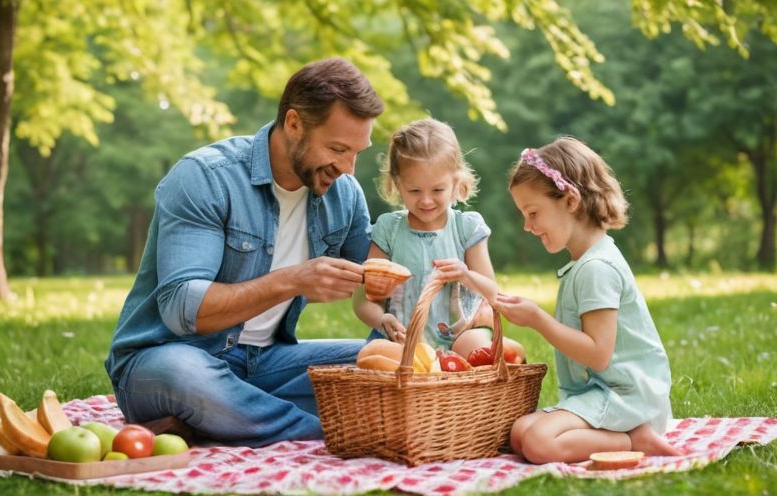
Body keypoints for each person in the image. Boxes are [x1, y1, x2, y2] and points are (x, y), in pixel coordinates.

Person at [104, 58, 385, 447]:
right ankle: (324, 434)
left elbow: (379, 278)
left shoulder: (344, 193)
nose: (349, 168)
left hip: (268, 362)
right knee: (185, 377)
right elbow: (183, 309)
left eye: (358, 152)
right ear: (293, 124)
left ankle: (223, 419)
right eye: (337, 148)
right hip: (169, 356)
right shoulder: (205, 178)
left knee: (381, 363)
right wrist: (294, 280)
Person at [494, 137, 681, 463]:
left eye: (533, 212)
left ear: (570, 200)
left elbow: (598, 354)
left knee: (538, 442)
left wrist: (538, 319)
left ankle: (633, 439)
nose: (527, 226)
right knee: (521, 432)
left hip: (627, 398)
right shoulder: (584, 263)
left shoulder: (596, 268)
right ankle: (623, 435)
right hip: (599, 393)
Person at [352, 118, 498, 352]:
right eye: (414, 190)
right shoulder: (389, 229)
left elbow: (492, 293)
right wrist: (382, 320)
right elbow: (363, 299)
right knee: (375, 353)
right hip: (402, 341)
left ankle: (469, 382)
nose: (426, 200)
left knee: (477, 346)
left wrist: (466, 275)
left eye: (438, 190)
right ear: (397, 185)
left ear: (456, 182)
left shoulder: (466, 228)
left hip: (458, 339)